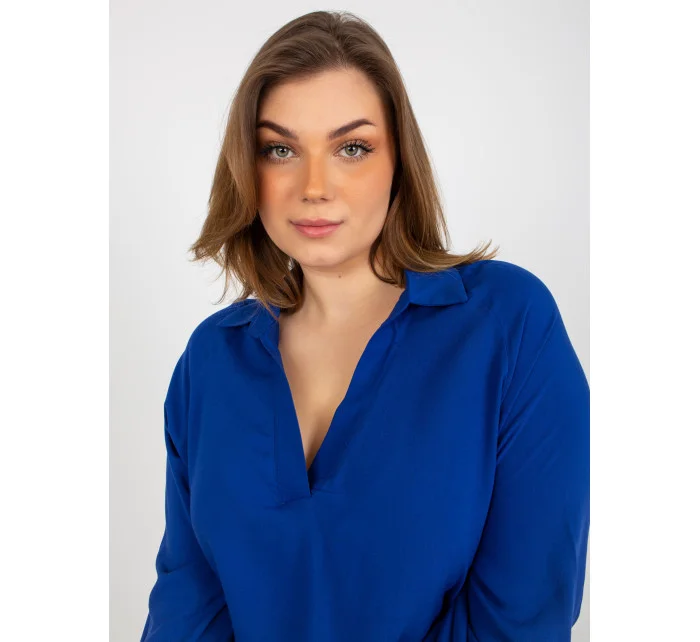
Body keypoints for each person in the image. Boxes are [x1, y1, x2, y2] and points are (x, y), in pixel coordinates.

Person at [140, 10, 589, 642]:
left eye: (351, 148)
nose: (314, 187)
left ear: (399, 159)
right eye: (280, 149)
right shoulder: (211, 361)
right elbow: (187, 614)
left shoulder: (507, 325)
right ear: (249, 167)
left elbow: (522, 617)